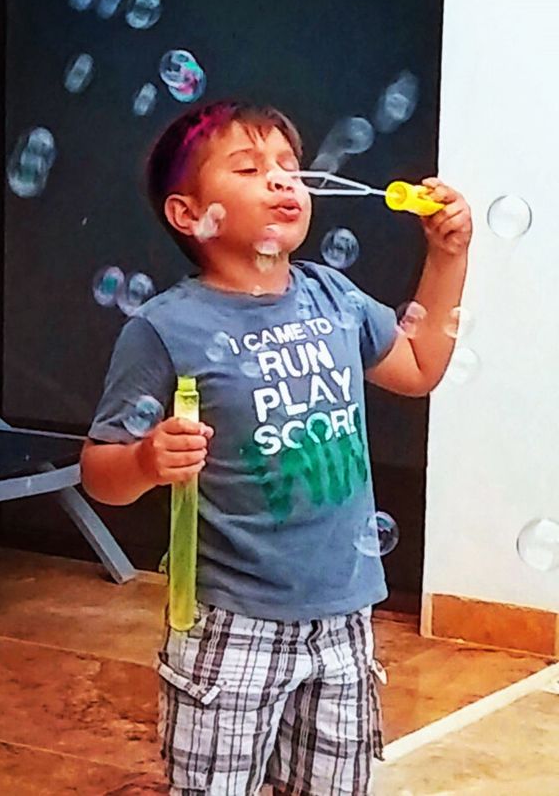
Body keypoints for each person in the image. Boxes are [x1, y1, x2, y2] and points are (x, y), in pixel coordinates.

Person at [81, 100, 472, 795]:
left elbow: (419, 367)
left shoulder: (334, 296)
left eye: (291, 167)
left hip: (345, 614)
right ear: (188, 214)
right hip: (231, 623)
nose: (283, 180)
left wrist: (448, 256)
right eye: (248, 168)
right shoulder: (166, 327)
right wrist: (143, 460)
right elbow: (98, 472)